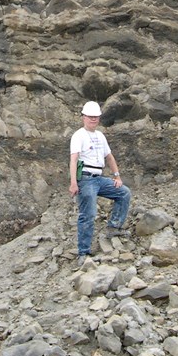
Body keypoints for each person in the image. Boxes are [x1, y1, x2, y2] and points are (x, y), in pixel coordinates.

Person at [69, 101, 131, 264]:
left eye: (96, 117)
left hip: (99, 177)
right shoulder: (78, 136)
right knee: (88, 215)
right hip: (86, 179)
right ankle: (83, 253)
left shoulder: (100, 136)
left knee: (123, 192)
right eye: (90, 117)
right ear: (83, 117)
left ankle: (114, 227)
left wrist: (117, 176)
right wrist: (74, 182)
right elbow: (74, 160)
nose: (93, 119)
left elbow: (109, 157)